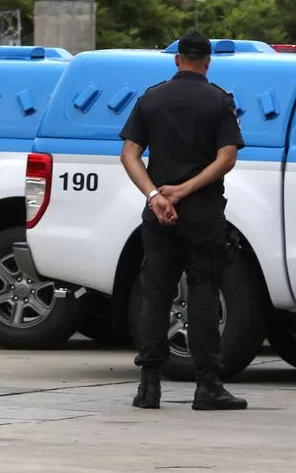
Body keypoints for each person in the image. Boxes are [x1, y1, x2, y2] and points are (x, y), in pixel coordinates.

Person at [118, 31, 248, 411]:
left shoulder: (152, 98)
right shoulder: (219, 101)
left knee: (156, 294)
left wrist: (156, 195)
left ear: (177, 60)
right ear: (207, 62)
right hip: (203, 215)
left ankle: (149, 386)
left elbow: (129, 153)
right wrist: (183, 191)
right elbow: (226, 158)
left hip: (159, 214)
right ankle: (207, 386)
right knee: (203, 295)